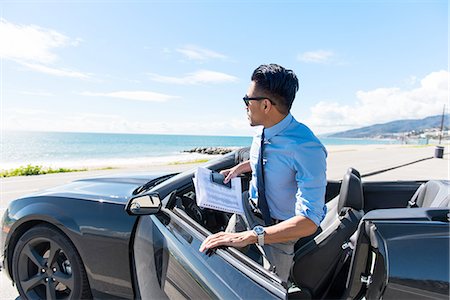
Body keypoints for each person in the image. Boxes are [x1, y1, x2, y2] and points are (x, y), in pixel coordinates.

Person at [199, 64, 327, 283]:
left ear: (266, 105)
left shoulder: (307, 148)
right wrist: (241, 167)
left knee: (267, 291)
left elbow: (308, 221)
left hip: (280, 231)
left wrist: (252, 236)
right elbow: (270, 159)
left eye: (247, 100)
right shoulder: (262, 129)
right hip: (247, 211)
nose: (245, 106)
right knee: (221, 269)